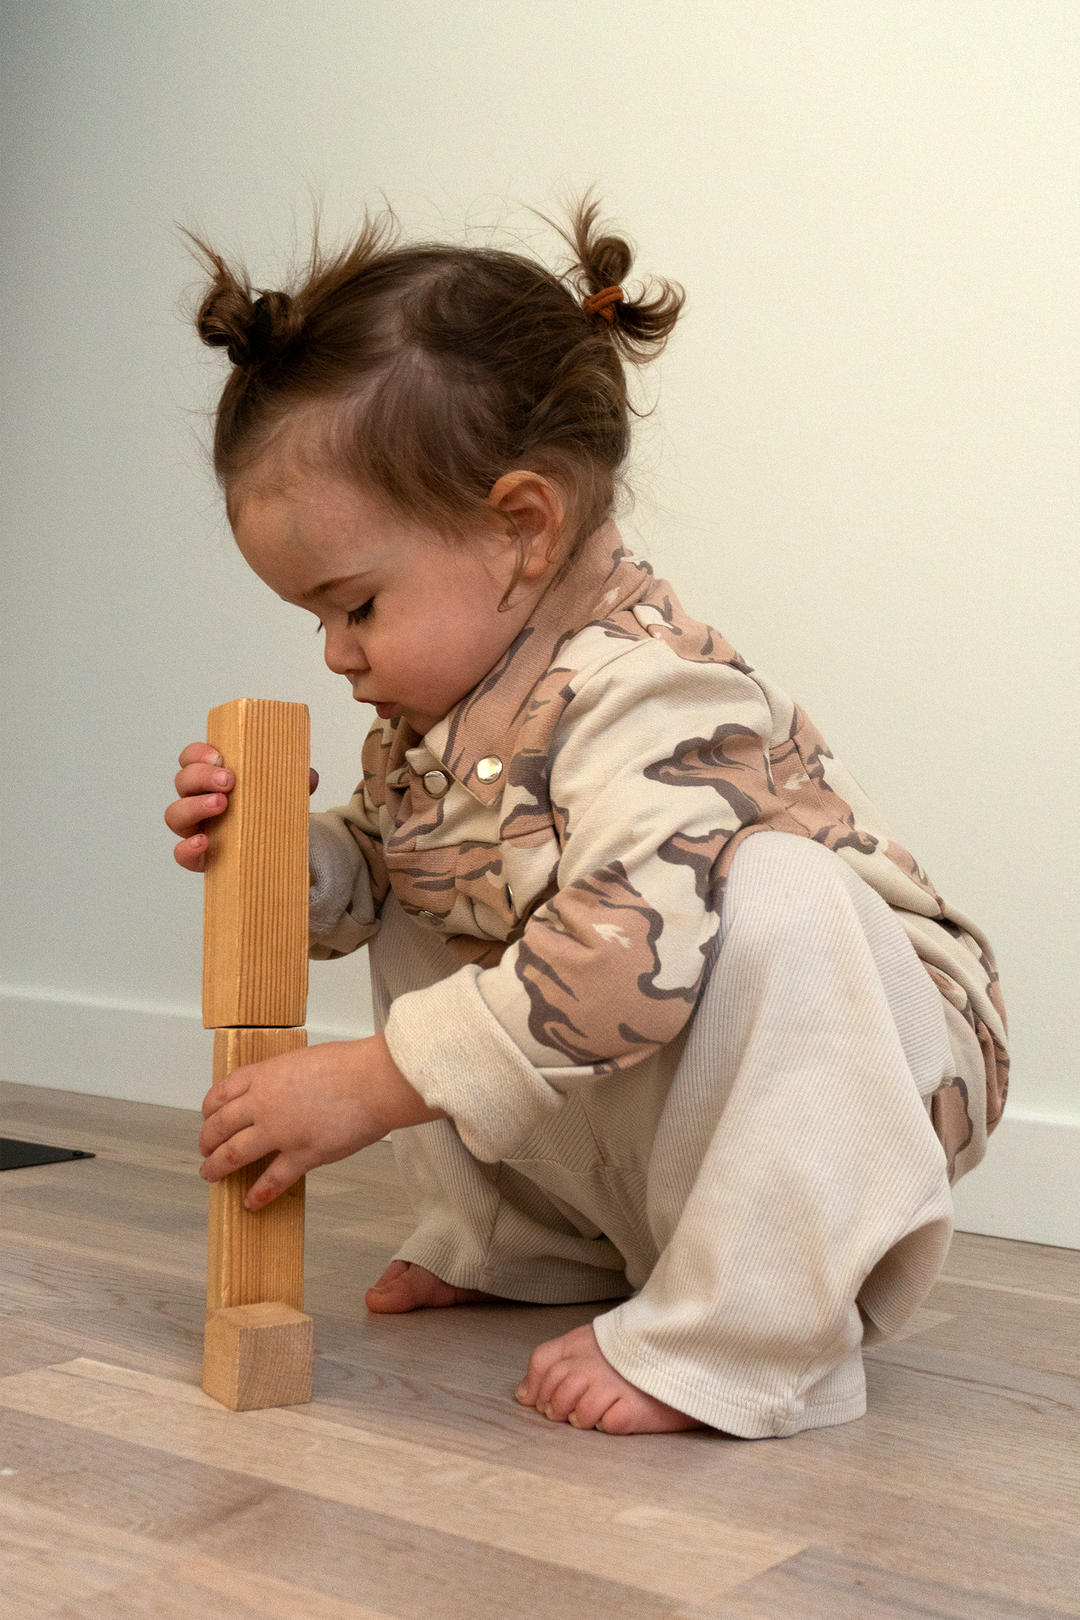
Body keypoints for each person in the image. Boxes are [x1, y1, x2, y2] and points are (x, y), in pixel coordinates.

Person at [165, 199, 1007, 1438]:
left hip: (879, 1066)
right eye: (318, 621)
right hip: (659, 1010)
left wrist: (376, 1080)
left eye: (356, 605)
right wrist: (286, 856)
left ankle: (751, 1335)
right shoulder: (436, 721)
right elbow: (393, 889)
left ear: (521, 526)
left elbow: (628, 957)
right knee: (435, 884)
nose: (338, 655)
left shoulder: (653, 689)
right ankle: (526, 1245)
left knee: (762, 892)